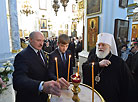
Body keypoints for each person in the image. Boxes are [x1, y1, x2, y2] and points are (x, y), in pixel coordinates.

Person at [13, 31, 70, 102]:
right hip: (29, 98)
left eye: (43, 41)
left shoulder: (41, 51)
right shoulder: (22, 56)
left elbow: (45, 71)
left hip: (42, 97)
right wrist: (41, 86)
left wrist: (56, 80)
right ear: (30, 40)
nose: (41, 44)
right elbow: (18, 81)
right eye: (38, 40)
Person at [82, 33, 137, 102]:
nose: (100, 47)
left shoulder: (119, 62)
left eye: (103, 45)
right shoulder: (93, 57)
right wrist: (98, 65)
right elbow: (84, 67)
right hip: (92, 97)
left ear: (109, 47)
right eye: (99, 45)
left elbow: (128, 84)